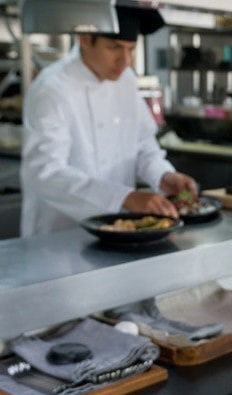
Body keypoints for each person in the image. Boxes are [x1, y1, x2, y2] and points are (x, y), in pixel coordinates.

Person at [21, 6, 196, 236]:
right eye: (114, 47)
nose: (124, 61)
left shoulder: (127, 81)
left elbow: (144, 146)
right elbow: (45, 173)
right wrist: (124, 197)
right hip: (59, 236)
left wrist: (163, 175)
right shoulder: (52, 89)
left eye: (131, 49)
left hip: (119, 231)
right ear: (84, 38)